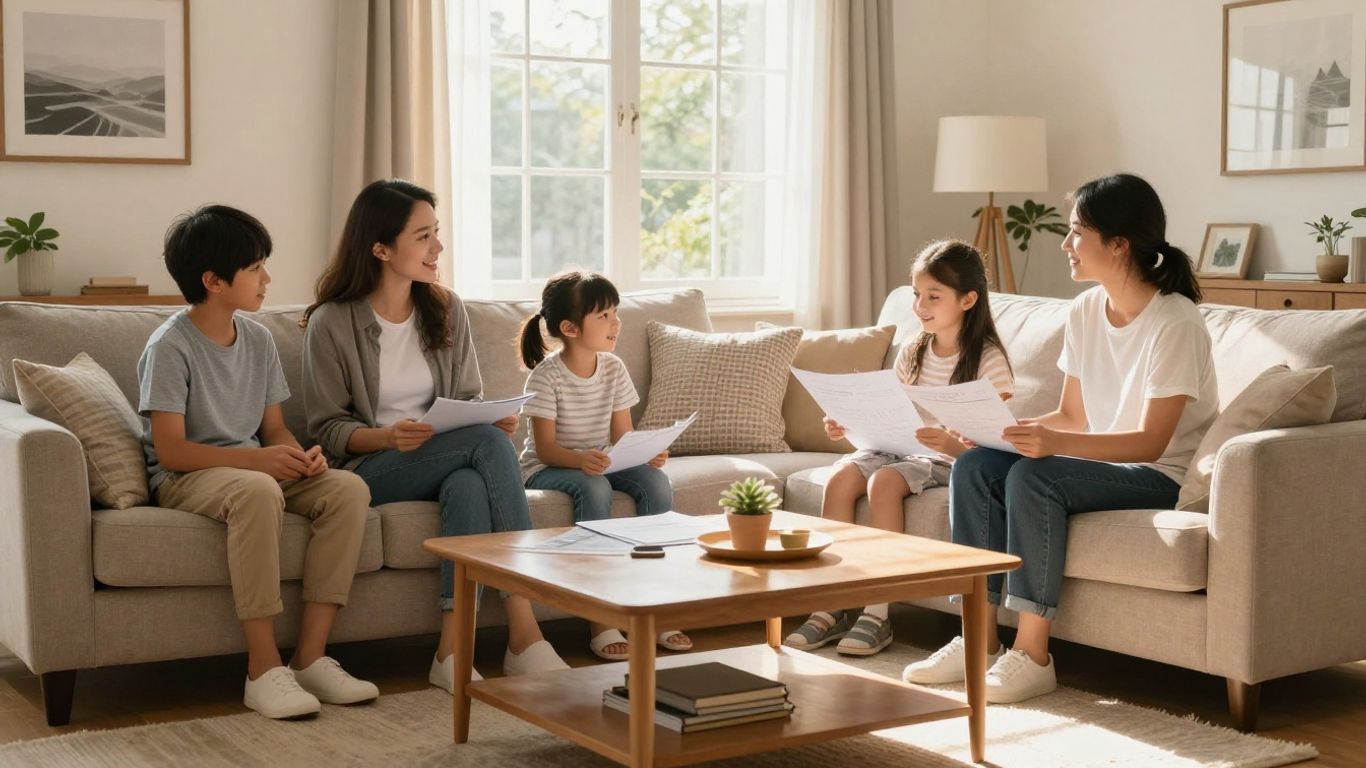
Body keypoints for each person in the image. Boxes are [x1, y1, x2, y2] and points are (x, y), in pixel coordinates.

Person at [904, 173, 1218, 704]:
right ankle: (976, 640)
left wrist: (1049, 446)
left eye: (1076, 233)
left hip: (1158, 476)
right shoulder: (1085, 310)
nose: (1066, 244)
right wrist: (1007, 434)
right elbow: (1072, 413)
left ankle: (1032, 655)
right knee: (976, 466)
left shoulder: (1175, 322)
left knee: (1036, 474)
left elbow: (1152, 443)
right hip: (1101, 464)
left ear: (1118, 244)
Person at [301, 179, 569, 690]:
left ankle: (452, 650)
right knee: (487, 447)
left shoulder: (444, 308)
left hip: (445, 459)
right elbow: (326, 429)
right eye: (423, 237)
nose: (438, 248)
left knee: (470, 481)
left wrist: (485, 416)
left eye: (437, 234)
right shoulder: (332, 323)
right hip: (370, 468)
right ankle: (524, 630)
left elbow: (466, 396)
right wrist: (386, 438)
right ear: (381, 248)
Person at [140, 206, 377, 720]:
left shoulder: (260, 338)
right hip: (188, 477)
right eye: (254, 268)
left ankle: (311, 657)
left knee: (346, 490)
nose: (267, 278)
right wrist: (260, 464)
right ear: (213, 280)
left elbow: (273, 429)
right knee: (256, 490)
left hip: (252, 467)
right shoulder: (170, 347)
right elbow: (172, 451)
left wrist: (298, 455)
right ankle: (263, 668)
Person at [784, 240, 1014, 657]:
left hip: (947, 458)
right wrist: (850, 421)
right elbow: (894, 410)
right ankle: (828, 606)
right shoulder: (914, 350)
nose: (920, 306)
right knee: (839, 478)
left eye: (933, 296)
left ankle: (877, 613)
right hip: (898, 447)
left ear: (968, 299)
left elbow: (991, 442)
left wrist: (948, 441)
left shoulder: (988, 358)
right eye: (916, 294)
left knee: (885, 484)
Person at [517, 269, 692, 661]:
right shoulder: (546, 376)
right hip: (551, 466)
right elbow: (544, 449)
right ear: (570, 327)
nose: (616, 323)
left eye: (615, 312)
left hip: (600, 459)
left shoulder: (613, 368)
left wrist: (645, 452)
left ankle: (658, 605)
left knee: (655, 482)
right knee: (594, 488)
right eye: (604, 316)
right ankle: (599, 618)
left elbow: (622, 437)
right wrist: (581, 460)